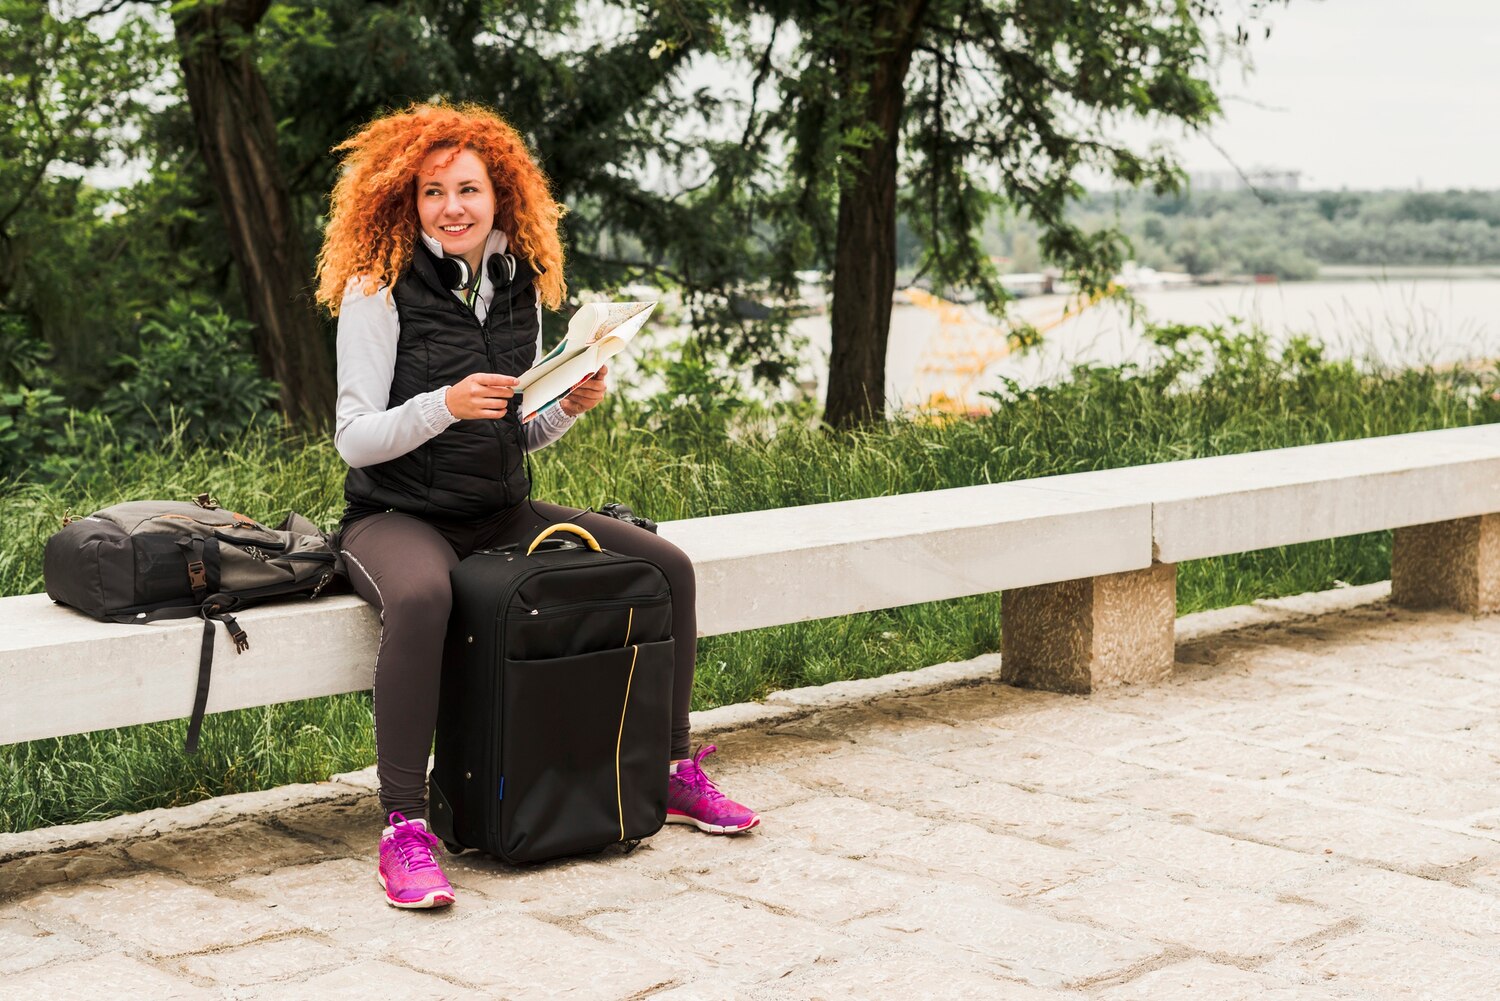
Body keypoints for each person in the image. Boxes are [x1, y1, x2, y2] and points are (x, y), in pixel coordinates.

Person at [314, 103, 759, 910]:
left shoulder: (518, 283)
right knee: (423, 596)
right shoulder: (375, 288)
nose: (452, 207)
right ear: (405, 203)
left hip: (499, 508)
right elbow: (353, 437)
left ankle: (671, 768)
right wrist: (443, 404)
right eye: (432, 192)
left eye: (468, 189)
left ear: (500, 194)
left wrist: (568, 405)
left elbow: (519, 428)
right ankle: (403, 826)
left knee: (666, 567)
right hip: (396, 516)